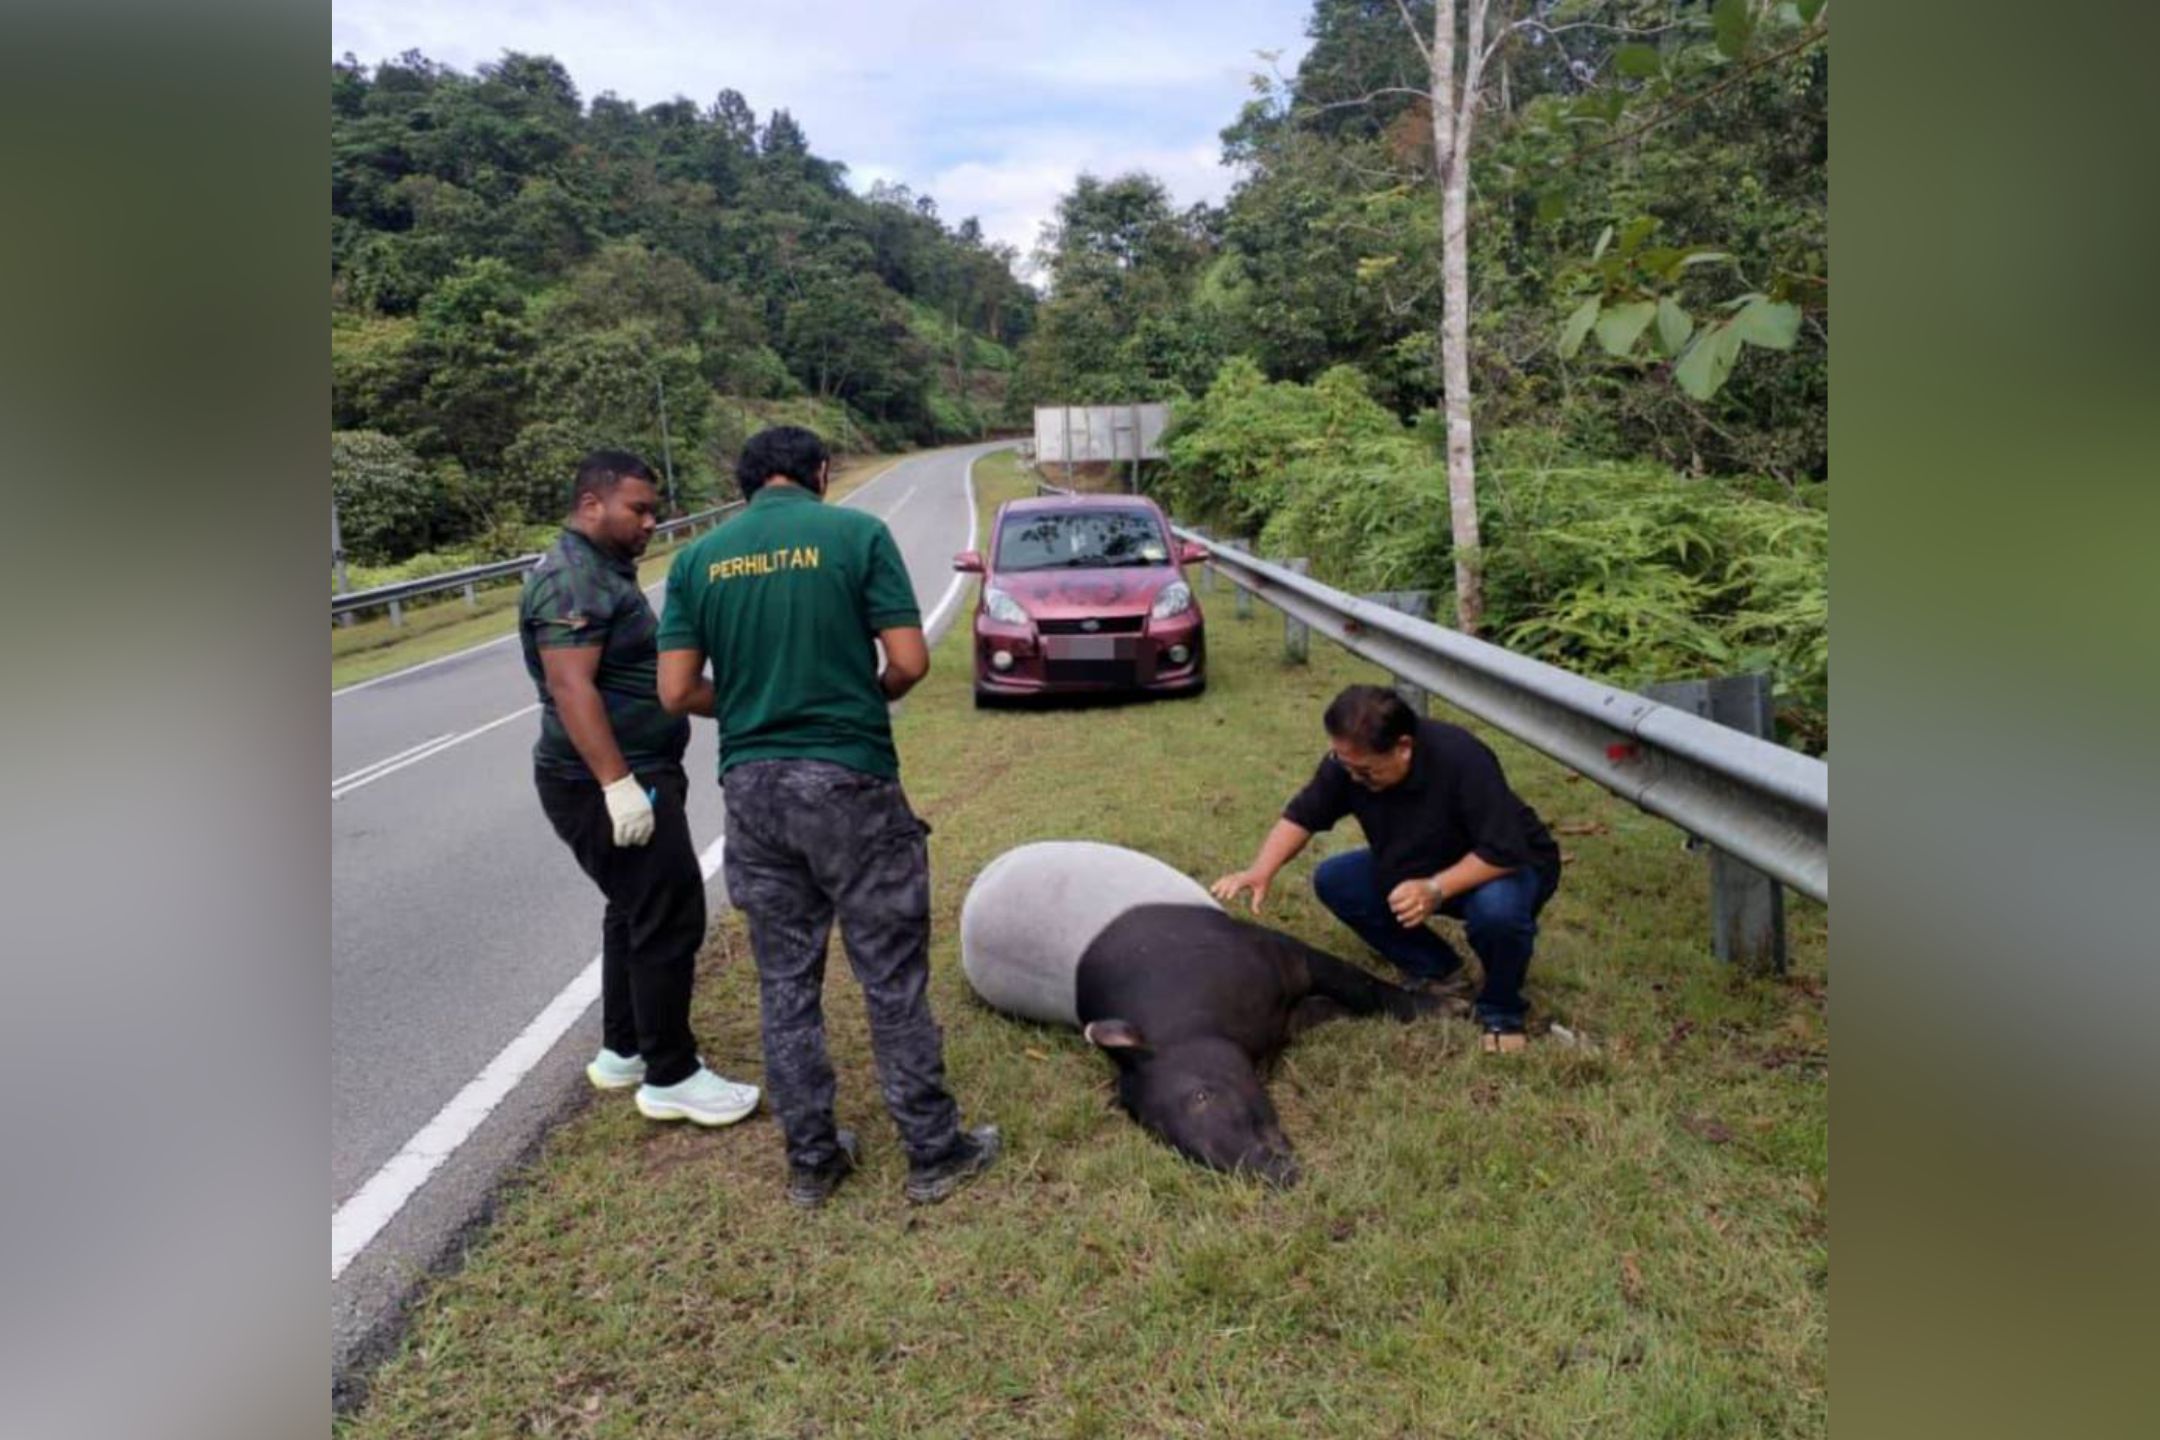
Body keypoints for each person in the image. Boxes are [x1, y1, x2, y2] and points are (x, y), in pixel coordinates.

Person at [656, 425, 999, 1208]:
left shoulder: (696, 560)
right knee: (890, 977)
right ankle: (932, 1150)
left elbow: (675, 691)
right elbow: (909, 662)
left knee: (785, 982)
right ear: (815, 472)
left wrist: (751, 705)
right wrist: (851, 700)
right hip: (851, 783)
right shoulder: (856, 536)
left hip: (753, 792)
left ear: (746, 483)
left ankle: (813, 1161)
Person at [520, 450, 761, 1125]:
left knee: (631, 909)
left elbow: (641, 680)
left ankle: (625, 1048)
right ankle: (671, 1073)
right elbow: (571, 688)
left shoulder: (599, 571)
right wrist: (617, 784)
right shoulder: (572, 580)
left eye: (654, 509)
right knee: (668, 910)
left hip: (622, 769)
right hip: (604, 776)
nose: (650, 522)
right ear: (591, 504)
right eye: (638, 509)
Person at [1211, 684, 1562, 1053]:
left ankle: (1501, 1009)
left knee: (1497, 913)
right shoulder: (1347, 764)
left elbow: (1504, 849)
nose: (1354, 778)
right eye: (1344, 765)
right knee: (1336, 880)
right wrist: (1261, 870)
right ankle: (1439, 971)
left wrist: (1434, 888)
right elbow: (1303, 815)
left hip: (1505, 865)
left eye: (1365, 771)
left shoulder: (1462, 757)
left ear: (1404, 748)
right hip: (1422, 860)